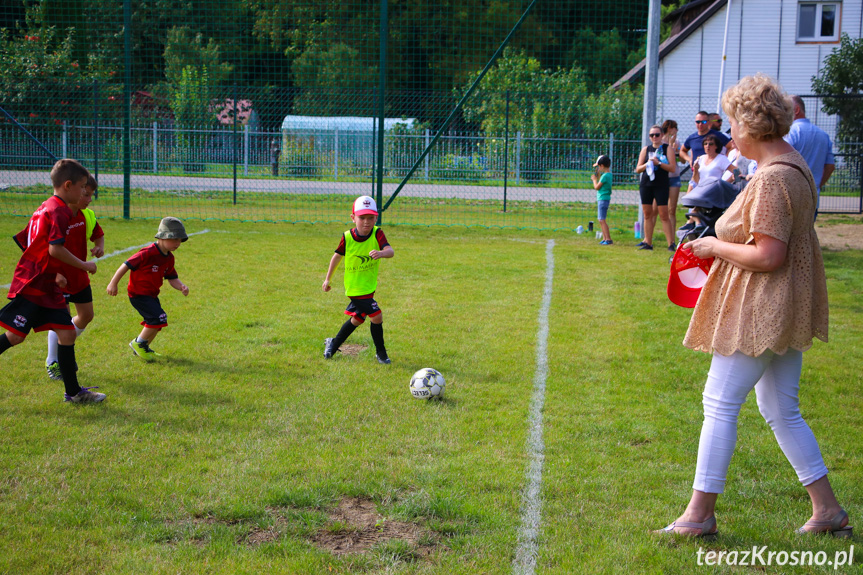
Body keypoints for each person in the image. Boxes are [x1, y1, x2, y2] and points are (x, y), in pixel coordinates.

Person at [655, 74, 850, 539]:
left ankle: (699, 515)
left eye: (731, 123)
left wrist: (714, 248)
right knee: (781, 408)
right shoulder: (793, 164)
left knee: (719, 403)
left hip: (762, 307)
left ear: (748, 125)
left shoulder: (773, 178)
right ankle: (828, 510)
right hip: (785, 305)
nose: (723, 135)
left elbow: (769, 255)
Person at [0, 159, 104, 403]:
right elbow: (54, 249)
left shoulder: (45, 206)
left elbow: (28, 240)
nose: (83, 193)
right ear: (68, 185)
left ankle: (74, 393)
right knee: (15, 337)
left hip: (48, 286)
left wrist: (52, 270)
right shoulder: (58, 211)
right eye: (81, 188)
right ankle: (74, 392)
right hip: (35, 285)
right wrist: (84, 265)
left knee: (67, 335)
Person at [322, 196, 394, 364]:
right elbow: (337, 257)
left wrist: (381, 253)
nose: (366, 222)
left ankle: (333, 343)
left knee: (358, 319)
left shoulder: (377, 233)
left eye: (370, 218)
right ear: (353, 217)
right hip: (354, 288)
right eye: (362, 218)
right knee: (377, 316)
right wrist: (327, 280)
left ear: (376, 217)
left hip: (369, 286)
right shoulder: (347, 237)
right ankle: (381, 353)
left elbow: (390, 251)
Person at [106, 217, 190, 360]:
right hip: (138, 294)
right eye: (174, 239)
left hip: (151, 295)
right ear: (162, 236)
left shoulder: (169, 258)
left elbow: (172, 277)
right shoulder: (147, 253)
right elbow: (126, 265)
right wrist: (113, 283)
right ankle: (138, 343)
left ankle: (142, 348)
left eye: (179, 240)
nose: (177, 243)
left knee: (158, 323)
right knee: (158, 318)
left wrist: (181, 286)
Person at [785, 95, 835, 213]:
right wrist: (816, 185)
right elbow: (830, 166)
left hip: (790, 198)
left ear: (796, 110)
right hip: (813, 198)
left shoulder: (790, 133)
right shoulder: (824, 135)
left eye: (786, 109)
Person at [635, 125, 677, 251]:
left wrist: (658, 163)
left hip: (661, 184)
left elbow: (672, 168)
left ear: (662, 135)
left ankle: (671, 243)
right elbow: (638, 169)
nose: (654, 137)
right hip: (646, 184)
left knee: (664, 214)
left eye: (657, 135)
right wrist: (647, 164)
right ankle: (648, 242)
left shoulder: (667, 148)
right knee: (647, 214)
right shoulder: (646, 149)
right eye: (652, 135)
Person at [679, 111, 732, 191]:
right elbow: (682, 150)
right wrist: (689, 159)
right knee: (689, 200)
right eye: (698, 122)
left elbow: (731, 146)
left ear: (708, 123)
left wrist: (723, 158)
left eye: (703, 122)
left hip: (712, 174)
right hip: (696, 173)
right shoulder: (692, 138)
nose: (700, 124)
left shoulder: (716, 135)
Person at [590, 155, 613, 245]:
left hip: (603, 199)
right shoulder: (608, 175)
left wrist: (594, 180)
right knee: (601, 219)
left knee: (602, 220)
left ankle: (608, 239)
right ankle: (604, 238)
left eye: (598, 166)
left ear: (602, 166)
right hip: (604, 199)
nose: (598, 168)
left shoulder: (604, 176)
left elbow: (597, 187)